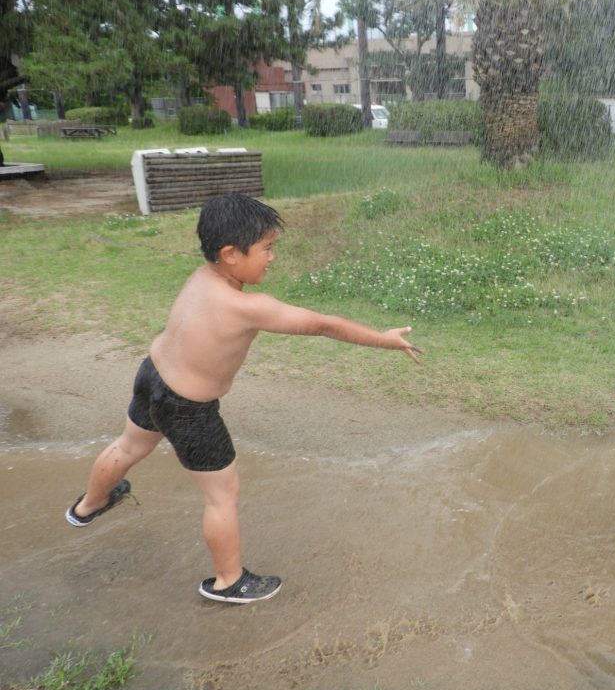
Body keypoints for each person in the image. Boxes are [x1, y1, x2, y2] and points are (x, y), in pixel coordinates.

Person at [65, 193, 421, 602]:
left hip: (153, 375)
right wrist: (385, 339)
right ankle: (228, 582)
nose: (272, 257)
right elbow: (323, 325)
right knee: (222, 495)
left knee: (128, 445)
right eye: (267, 248)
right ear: (231, 254)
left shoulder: (202, 277)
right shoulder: (244, 306)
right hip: (188, 408)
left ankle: (89, 506)